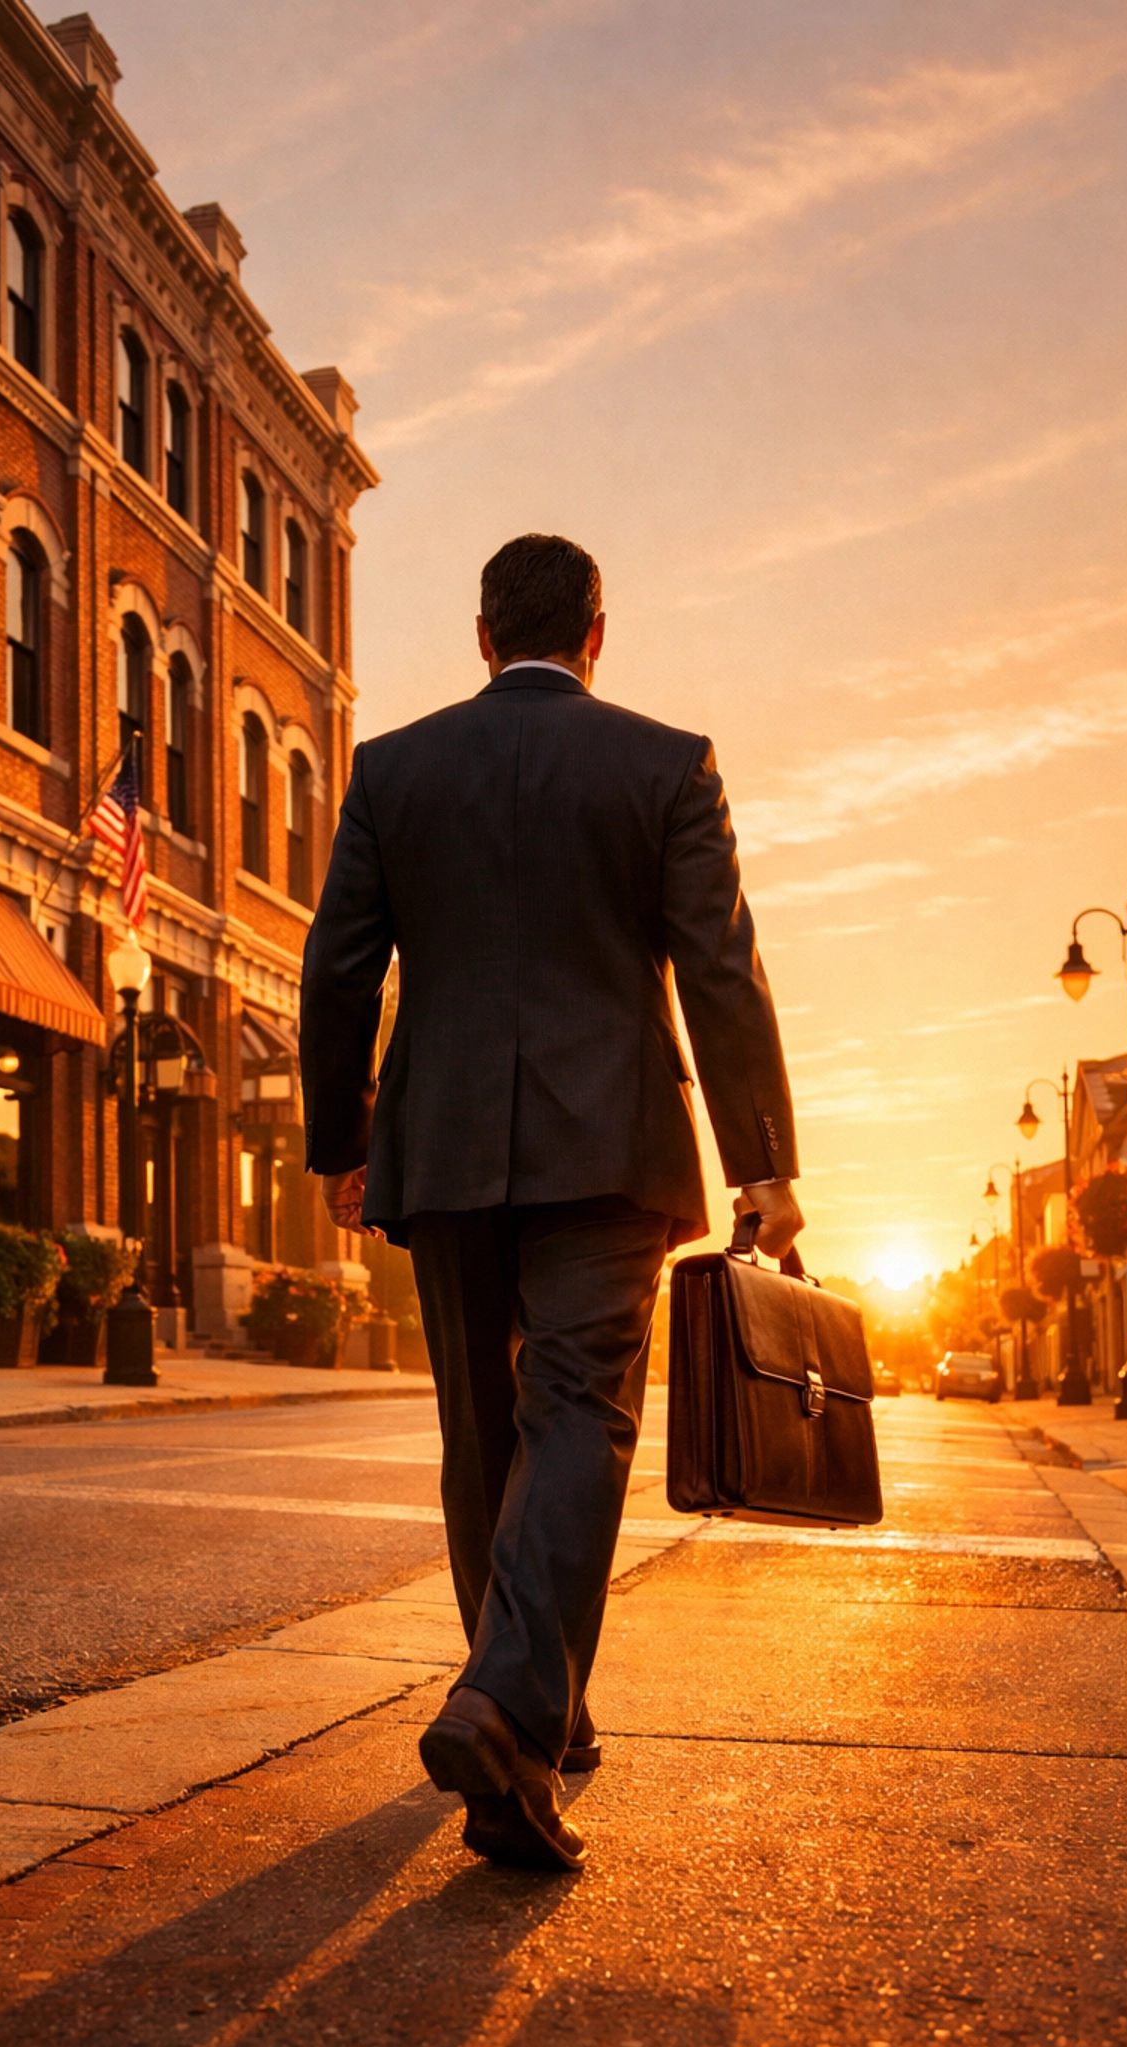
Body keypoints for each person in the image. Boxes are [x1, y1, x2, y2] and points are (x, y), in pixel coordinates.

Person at [299, 533, 802, 1873]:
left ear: (481, 637)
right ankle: (517, 1707)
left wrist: (339, 1142)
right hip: (611, 1148)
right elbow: (721, 970)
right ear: (596, 633)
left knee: (484, 1433)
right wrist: (765, 1163)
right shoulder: (663, 763)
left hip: (444, 1150)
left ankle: (519, 1703)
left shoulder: (394, 771)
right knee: (578, 1414)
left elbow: (337, 970)